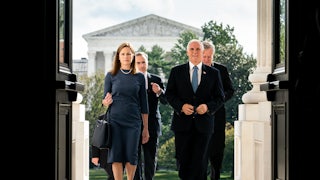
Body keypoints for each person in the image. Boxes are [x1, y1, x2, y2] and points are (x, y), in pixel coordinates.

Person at [165, 39, 225, 180]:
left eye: (198, 49)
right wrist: (181, 106)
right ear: (187, 52)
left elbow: (220, 97)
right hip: (182, 126)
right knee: (183, 164)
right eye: (192, 49)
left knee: (200, 165)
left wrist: (208, 107)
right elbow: (169, 94)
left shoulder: (213, 73)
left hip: (204, 126)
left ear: (203, 52)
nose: (195, 52)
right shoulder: (176, 71)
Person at [102, 42, 150, 180]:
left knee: (131, 155)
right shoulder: (111, 75)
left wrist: (145, 128)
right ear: (118, 57)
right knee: (116, 155)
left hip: (133, 122)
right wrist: (105, 102)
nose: (126, 56)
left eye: (129, 53)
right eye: (123, 54)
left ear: (133, 56)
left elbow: (144, 105)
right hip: (115, 121)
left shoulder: (140, 77)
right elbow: (104, 99)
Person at [202, 41, 234, 180]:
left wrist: (218, 101)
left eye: (210, 56)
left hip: (217, 117)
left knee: (217, 152)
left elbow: (230, 90)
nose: (207, 60)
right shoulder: (193, 71)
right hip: (199, 119)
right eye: (205, 56)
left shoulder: (222, 70)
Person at [134, 51, 168, 180]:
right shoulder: (130, 80)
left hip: (153, 124)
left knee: (150, 158)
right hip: (134, 124)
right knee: (134, 158)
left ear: (147, 63)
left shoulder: (156, 79)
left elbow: (166, 101)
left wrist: (159, 91)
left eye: (143, 62)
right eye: (138, 63)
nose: (141, 65)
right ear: (134, 64)